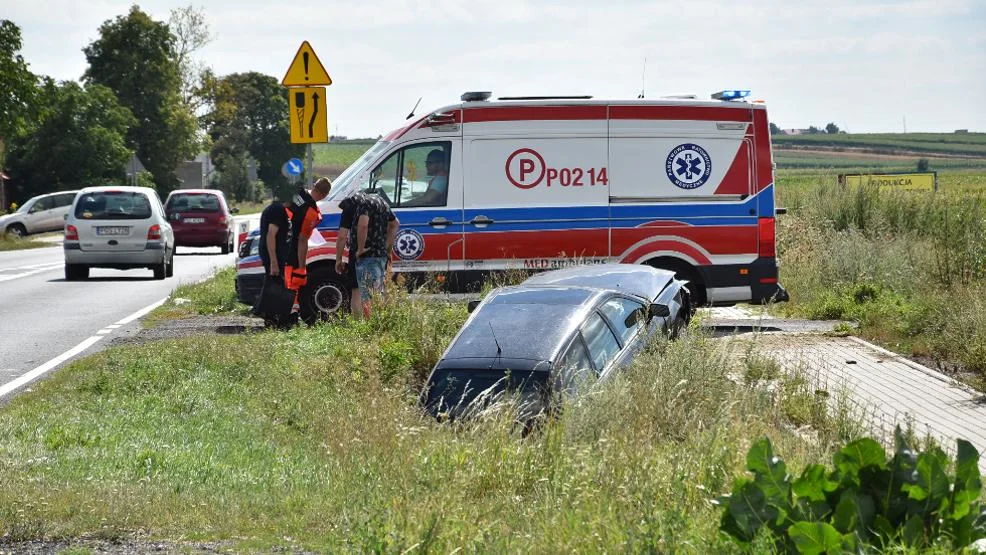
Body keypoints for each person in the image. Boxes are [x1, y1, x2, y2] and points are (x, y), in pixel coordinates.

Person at [254, 177, 331, 325]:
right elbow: (302, 240)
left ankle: (272, 316)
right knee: (291, 285)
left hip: (276, 246)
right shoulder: (311, 211)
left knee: (276, 284)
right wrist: (302, 267)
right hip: (292, 251)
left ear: (313, 186)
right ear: (324, 195)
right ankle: (286, 317)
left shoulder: (297, 193)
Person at [335, 191, 399, 318]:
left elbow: (344, 235)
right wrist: (387, 248)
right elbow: (395, 224)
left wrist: (339, 259)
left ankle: (360, 327)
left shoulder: (355, 206)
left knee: (358, 292)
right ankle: (377, 324)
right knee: (377, 291)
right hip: (380, 254)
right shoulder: (381, 202)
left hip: (362, 255)